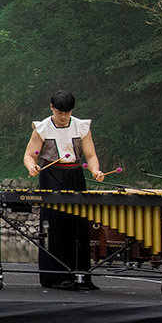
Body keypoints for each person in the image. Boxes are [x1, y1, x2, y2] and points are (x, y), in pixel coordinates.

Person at [24, 89, 105, 290]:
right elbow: (29, 155)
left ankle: (80, 275)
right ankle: (55, 277)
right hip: (51, 176)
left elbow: (90, 155)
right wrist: (31, 167)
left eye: (67, 113)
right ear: (52, 108)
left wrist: (95, 170)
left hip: (75, 175)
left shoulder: (81, 126)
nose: (62, 117)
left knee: (78, 225)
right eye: (59, 112)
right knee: (55, 225)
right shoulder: (42, 128)